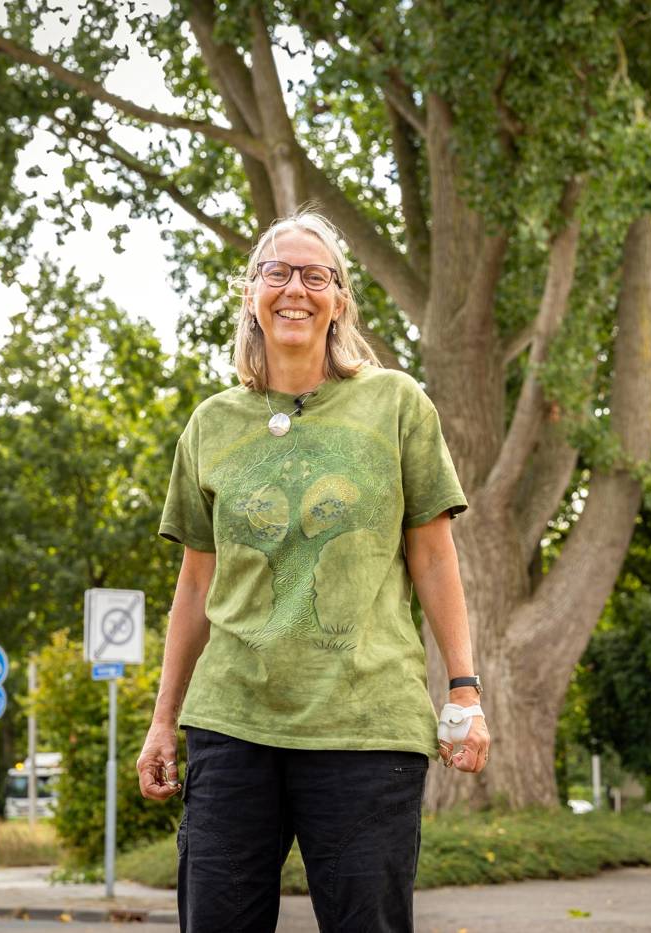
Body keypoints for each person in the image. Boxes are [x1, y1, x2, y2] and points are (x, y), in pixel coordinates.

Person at [137, 210, 491, 933]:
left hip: (366, 727)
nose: (294, 288)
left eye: (315, 275)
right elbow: (196, 586)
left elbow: (433, 555)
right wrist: (163, 718)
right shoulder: (211, 423)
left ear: (338, 301)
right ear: (250, 294)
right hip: (232, 723)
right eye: (277, 271)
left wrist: (464, 688)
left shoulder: (396, 404)